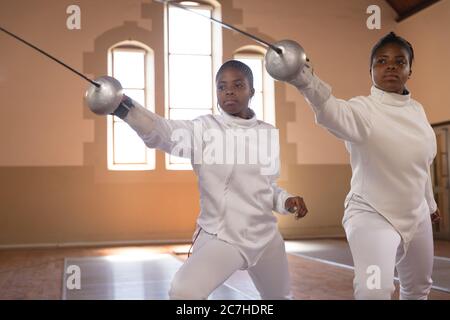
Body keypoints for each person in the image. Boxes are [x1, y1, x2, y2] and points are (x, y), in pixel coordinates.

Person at [110, 60, 308, 299]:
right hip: (225, 237)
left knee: (280, 298)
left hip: (266, 237)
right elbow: (161, 131)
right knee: (184, 292)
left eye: (238, 85)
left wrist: (286, 201)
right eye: (222, 87)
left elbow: (267, 187)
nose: (229, 91)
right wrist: (125, 108)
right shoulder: (204, 129)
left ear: (251, 91)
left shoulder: (267, 133)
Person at [278, 32, 440, 299]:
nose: (391, 66)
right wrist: (305, 80)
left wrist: (430, 206)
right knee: (374, 289)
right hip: (372, 213)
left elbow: (421, 165)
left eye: (400, 62)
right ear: (371, 70)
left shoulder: (417, 111)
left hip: (416, 214)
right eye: (381, 61)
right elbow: (331, 111)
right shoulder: (363, 110)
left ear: (410, 71)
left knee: (419, 288)